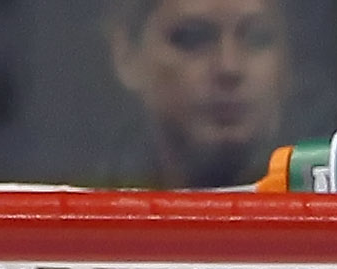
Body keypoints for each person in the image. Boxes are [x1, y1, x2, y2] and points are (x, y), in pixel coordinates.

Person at [106, 0, 286, 190]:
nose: (229, 66)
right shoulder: (93, 196)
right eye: (192, 38)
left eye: (257, 37)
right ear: (127, 54)